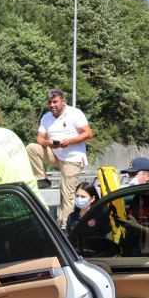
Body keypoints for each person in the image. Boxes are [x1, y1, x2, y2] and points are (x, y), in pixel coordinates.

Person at [26, 89, 93, 225]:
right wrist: (48, 143)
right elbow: (40, 139)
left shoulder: (75, 113)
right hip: (56, 154)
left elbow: (88, 133)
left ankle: (64, 225)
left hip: (72, 158)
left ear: (63, 101)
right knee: (31, 148)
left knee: (66, 193)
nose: (52, 105)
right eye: (50, 102)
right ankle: (41, 178)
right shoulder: (46, 117)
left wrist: (69, 141)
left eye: (55, 102)